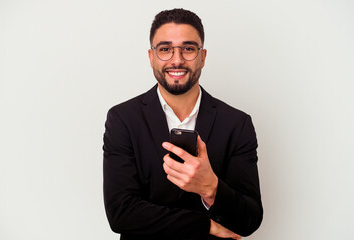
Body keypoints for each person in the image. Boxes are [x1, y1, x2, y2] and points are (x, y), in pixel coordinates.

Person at [103, 8, 263, 240]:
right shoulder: (123, 119)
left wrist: (210, 187)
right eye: (165, 49)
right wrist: (205, 226)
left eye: (188, 49)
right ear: (151, 57)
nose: (177, 60)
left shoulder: (237, 124)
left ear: (203, 56)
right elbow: (121, 213)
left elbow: (249, 219)